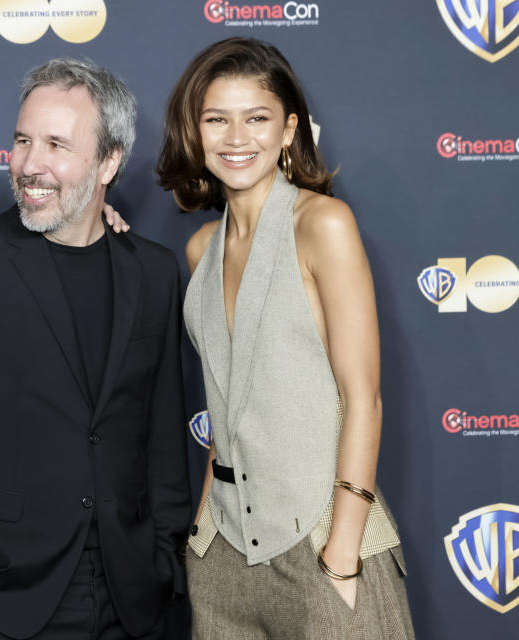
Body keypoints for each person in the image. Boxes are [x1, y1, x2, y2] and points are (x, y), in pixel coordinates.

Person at [0, 58, 191, 640]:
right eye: (23, 140)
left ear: (108, 161)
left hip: (134, 599)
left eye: (57, 144)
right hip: (2, 600)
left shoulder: (153, 272)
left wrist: (165, 563)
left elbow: (162, 436)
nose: (32, 164)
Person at [156, 38, 414, 639]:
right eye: (217, 118)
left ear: (289, 129)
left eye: (257, 118)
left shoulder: (323, 224)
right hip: (220, 556)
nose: (236, 138)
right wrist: (200, 535)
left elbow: (363, 396)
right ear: (195, 131)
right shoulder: (200, 251)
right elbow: (229, 404)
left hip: (322, 541)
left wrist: (343, 550)